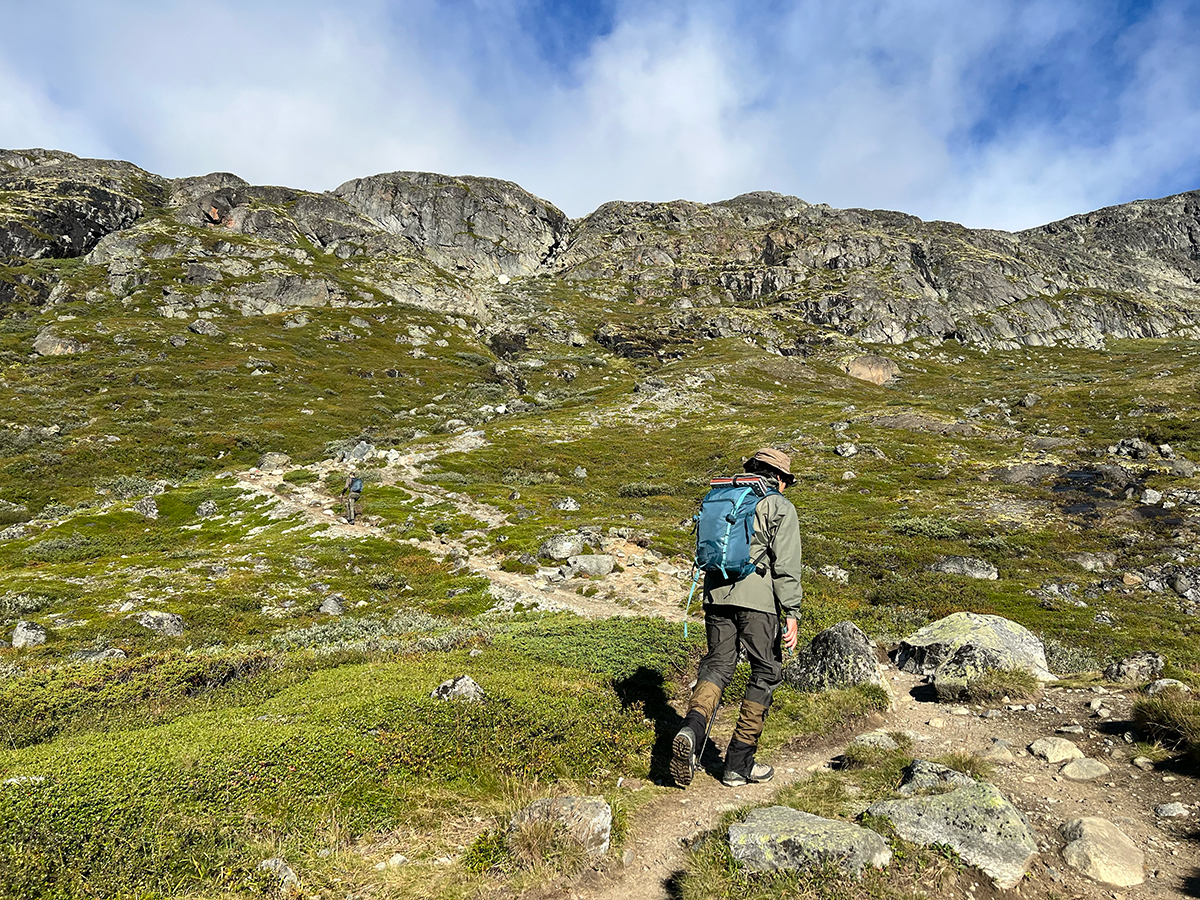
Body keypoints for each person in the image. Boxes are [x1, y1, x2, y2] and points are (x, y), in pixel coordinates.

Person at [672, 448, 803, 788]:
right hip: (757, 601)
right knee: (766, 670)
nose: (787, 486)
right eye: (787, 480)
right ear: (778, 477)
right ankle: (738, 765)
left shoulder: (721, 497)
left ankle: (691, 730)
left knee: (717, 666)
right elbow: (786, 566)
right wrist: (792, 612)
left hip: (715, 595)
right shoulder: (778, 505)